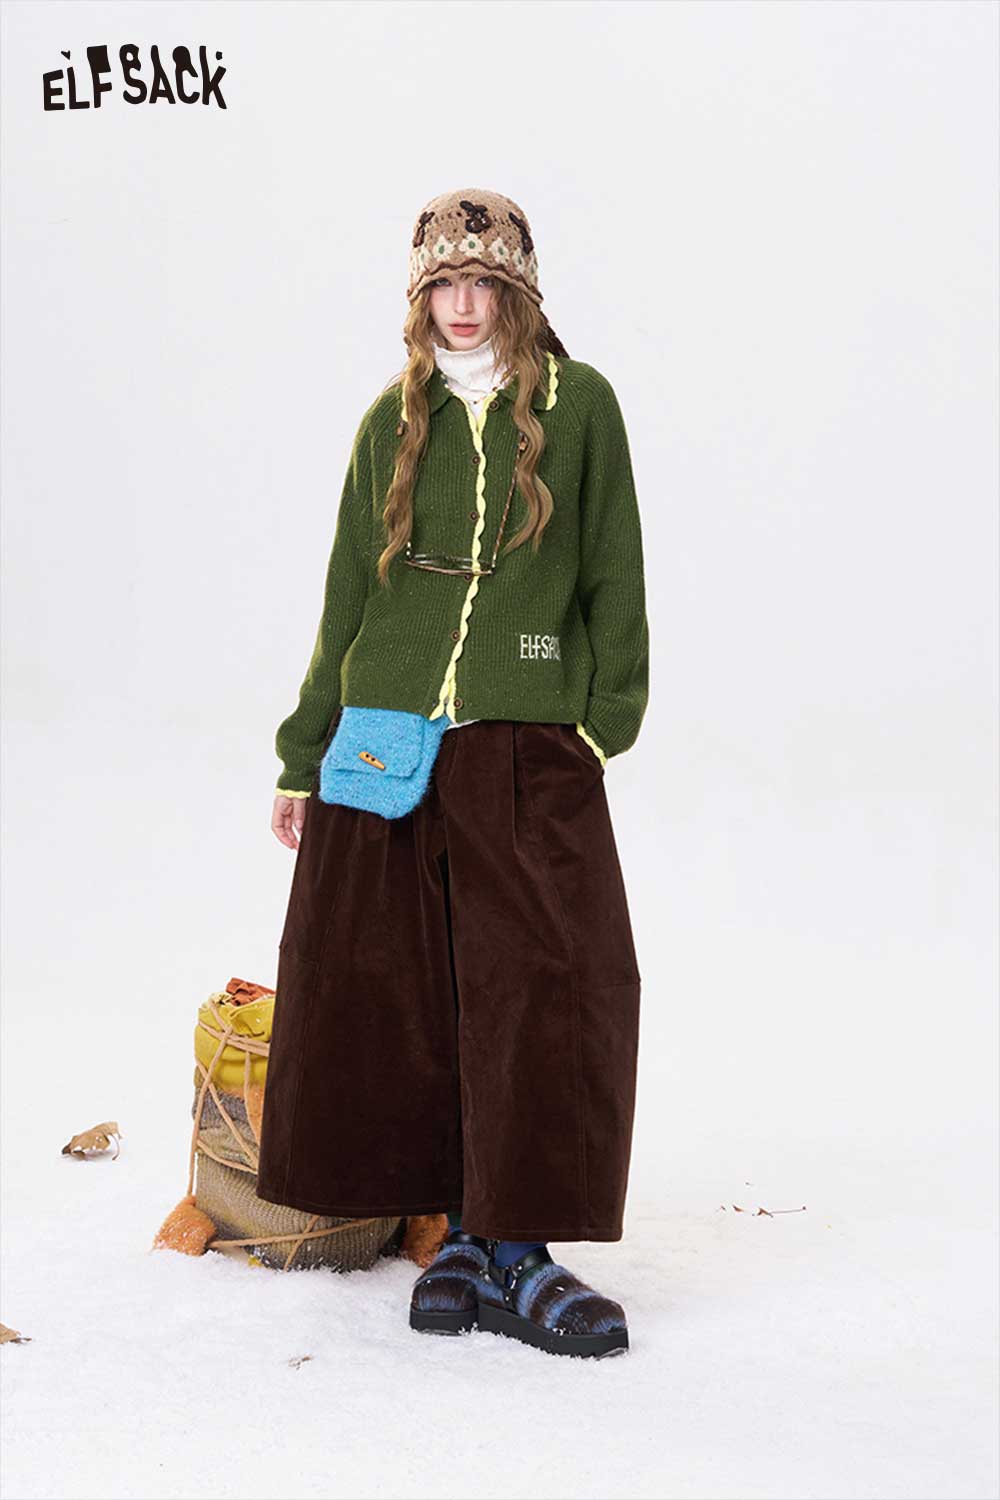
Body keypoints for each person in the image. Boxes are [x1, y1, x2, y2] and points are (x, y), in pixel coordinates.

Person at [256, 187, 649, 1360]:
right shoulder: (392, 419)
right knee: (403, 992)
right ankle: (462, 1240)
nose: (463, 305)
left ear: (517, 293)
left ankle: (521, 1247)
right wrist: (303, 753)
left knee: (546, 985)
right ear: (419, 296)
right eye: (443, 284)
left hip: (525, 738)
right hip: (383, 741)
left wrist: (600, 722)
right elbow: (347, 592)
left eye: (484, 283)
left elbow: (613, 570)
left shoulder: (580, 405)